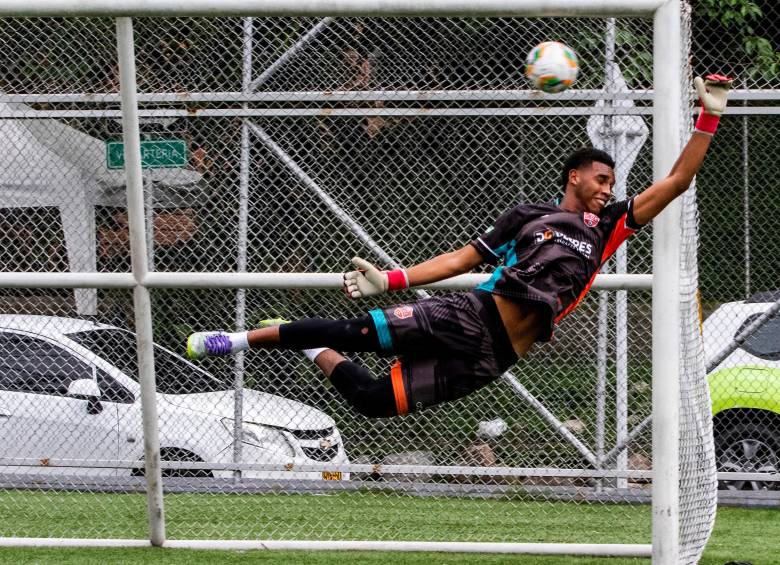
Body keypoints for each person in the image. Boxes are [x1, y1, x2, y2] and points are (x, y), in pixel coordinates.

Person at [187, 74, 732, 419]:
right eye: (599, 179)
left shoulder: (608, 226)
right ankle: (236, 340)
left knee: (376, 402)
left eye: (612, 183)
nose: (608, 189)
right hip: (469, 315)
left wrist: (709, 116)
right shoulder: (528, 217)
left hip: (497, 356)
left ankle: (306, 349)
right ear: (573, 177)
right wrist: (394, 278)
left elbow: (677, 182)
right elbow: (462, 260)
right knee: (348, 330)